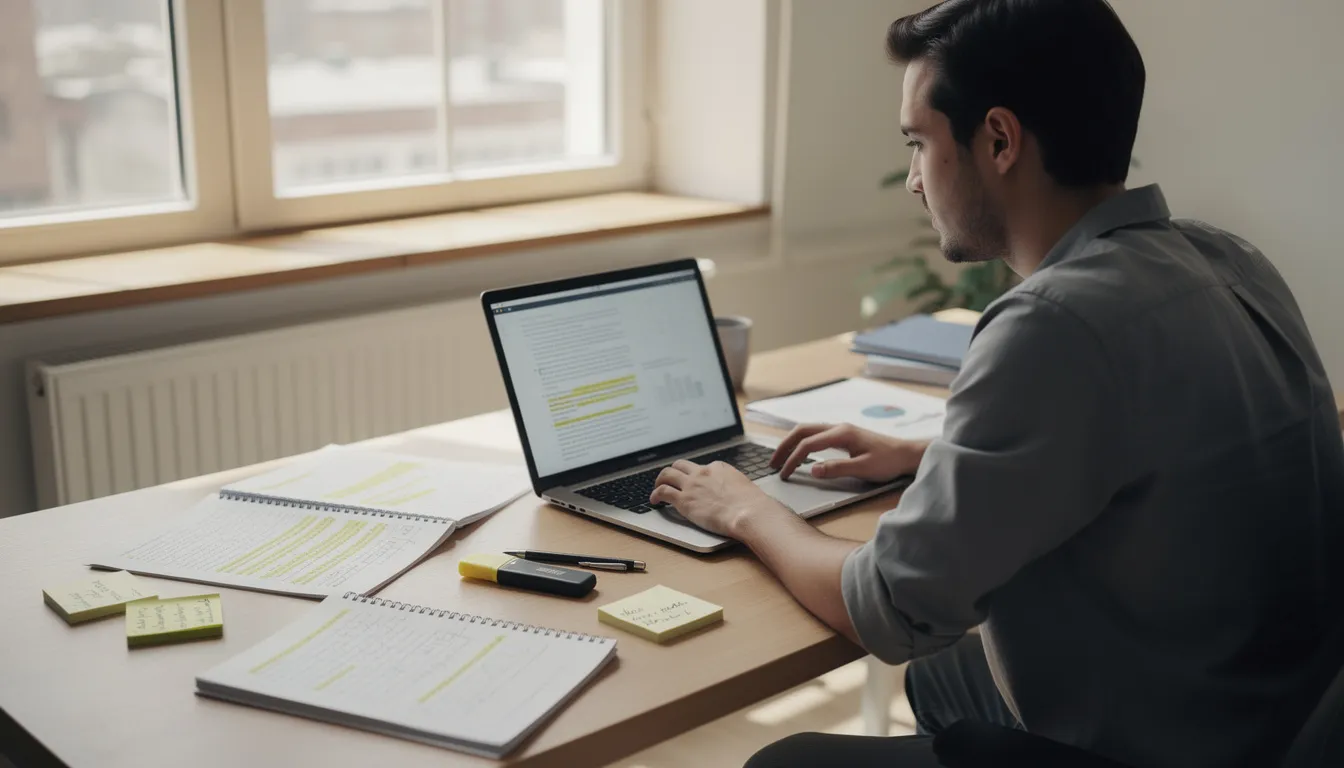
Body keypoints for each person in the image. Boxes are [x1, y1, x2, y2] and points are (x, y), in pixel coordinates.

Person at [649, 1, 1344, 766]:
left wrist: (747, 509)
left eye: (919, 142)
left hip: (1163, 742)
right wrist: (929, 457)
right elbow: (1162, 447)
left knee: (786, 762)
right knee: (946, 684)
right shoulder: (1228, 260)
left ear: (1000, 140)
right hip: (1281, 716)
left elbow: (889, 612)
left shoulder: (1053, 320)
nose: (914, 179)